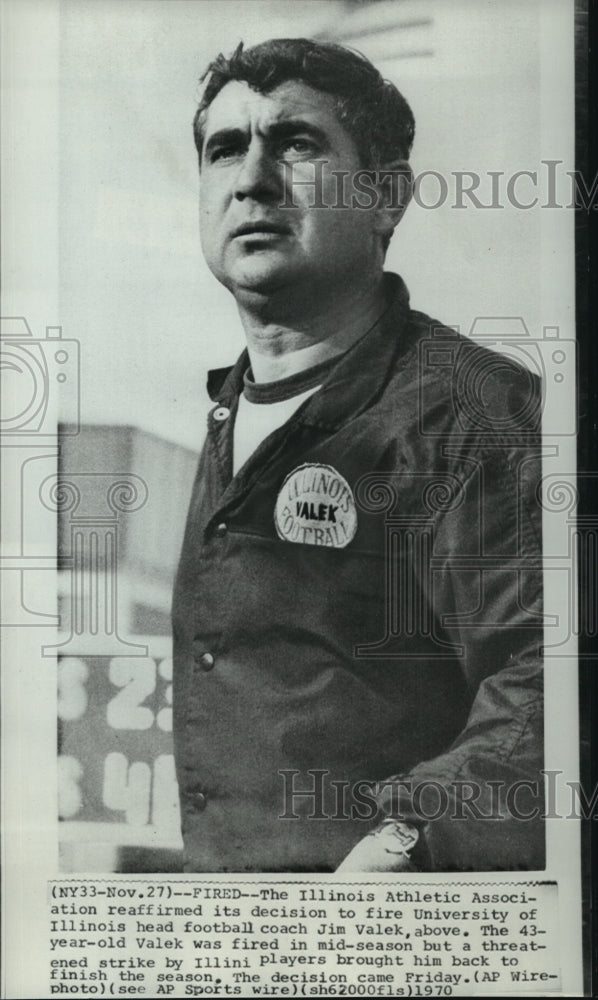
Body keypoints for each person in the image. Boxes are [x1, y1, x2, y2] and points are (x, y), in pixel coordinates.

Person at [172, 37, 544, 873]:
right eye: (224, 149)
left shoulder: (473, 412)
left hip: (398, 934)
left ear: (386, 197)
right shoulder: (230, 411)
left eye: (296, 143)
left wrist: (411, 837)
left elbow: (554, 678)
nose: (252, 179)